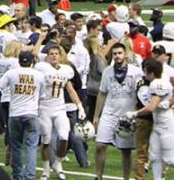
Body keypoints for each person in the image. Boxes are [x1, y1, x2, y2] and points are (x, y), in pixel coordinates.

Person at [34, 45, 86, 180]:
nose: (54, 56)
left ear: (60, 55)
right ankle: (46, 169)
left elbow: (71, 90)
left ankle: (58, 163)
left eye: (56, 53)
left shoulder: (66, 70)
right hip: (44, 108)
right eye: (51, 53)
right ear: (47, 56)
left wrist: (80, 106)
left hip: (60, 108)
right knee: (46, 141)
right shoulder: (41, 69)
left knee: (64, 137)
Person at [0, 51, 45, 180]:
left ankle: (18, 175)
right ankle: (30, 176)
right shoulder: (39, 75)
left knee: (16, 146)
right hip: (32, 113)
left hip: (15, 114)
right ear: (32, 62)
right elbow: (42, 96)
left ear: (19, 61)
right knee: (31, 147)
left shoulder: (11, 73)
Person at [93, 43, 140, 180]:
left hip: (127, 115)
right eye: (114, 54)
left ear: (125, 54)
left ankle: (126, 178)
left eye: (119, 53)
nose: (117, 56)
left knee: (126, 151)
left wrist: (137, 114)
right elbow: (102, 93)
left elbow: (140, 93)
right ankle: (98, 176)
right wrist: (96, 116)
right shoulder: (108, 71)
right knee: (100, 145)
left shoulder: (135, 71)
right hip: (109, 113)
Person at [126, 58, 174, 180]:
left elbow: (151, 108)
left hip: (166, 125)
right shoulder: (162, 82)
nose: (144, 73)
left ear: (152, 72)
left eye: (146, 71)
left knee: (169, 159)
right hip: (158, 124)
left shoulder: (157, 84)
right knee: (155, 156)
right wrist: (169, 101)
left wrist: (134, 113)